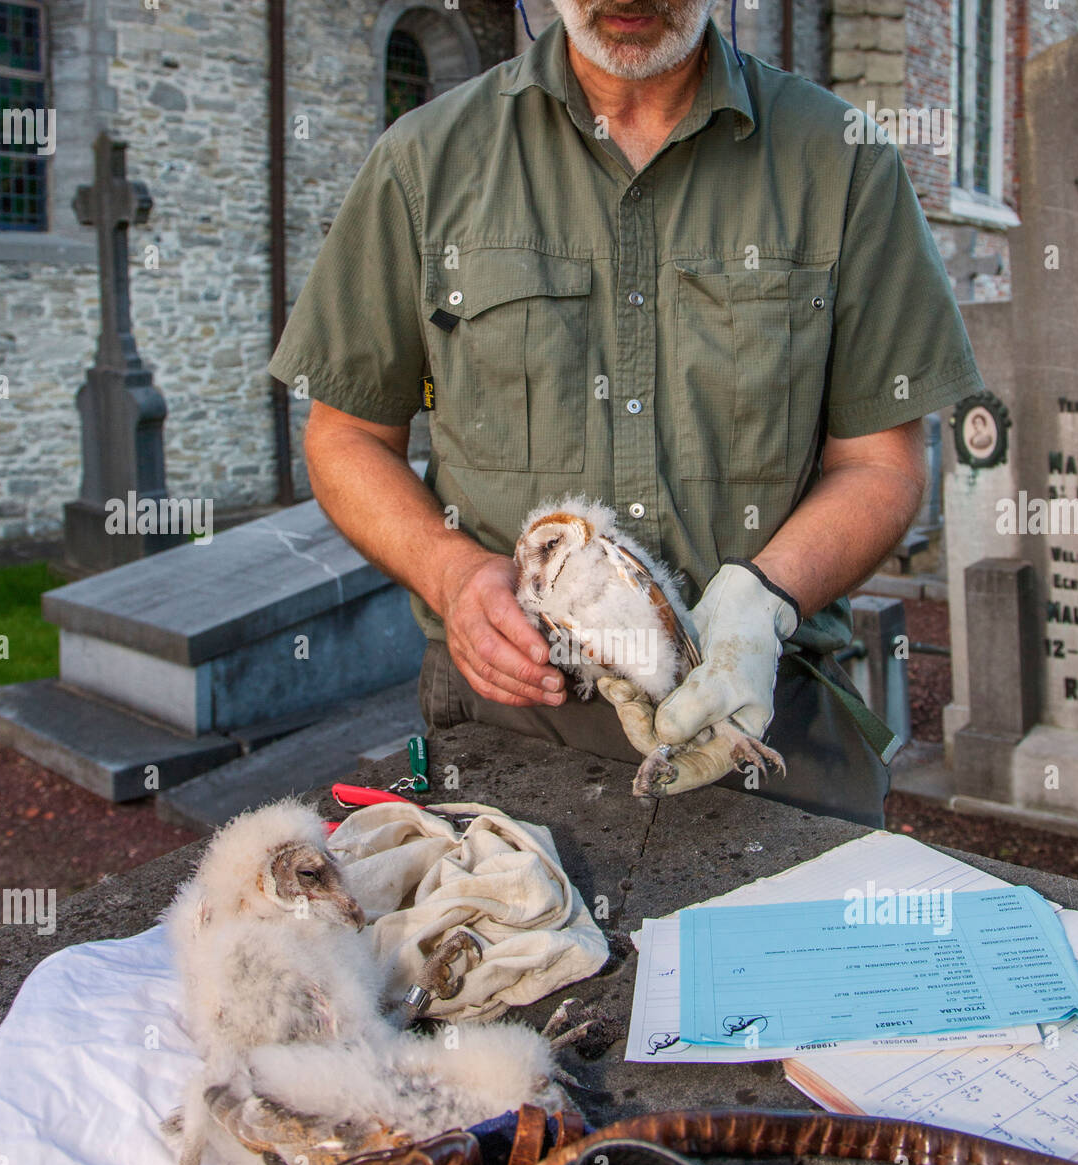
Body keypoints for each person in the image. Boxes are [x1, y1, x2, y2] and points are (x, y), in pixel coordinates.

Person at [268, 0, 985, 827]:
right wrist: (452, 573)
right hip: (513, 722)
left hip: (769, 718)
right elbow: (347, 435)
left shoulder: (842, 162)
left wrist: (763, 602)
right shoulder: (423, 163)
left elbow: (882, 464)